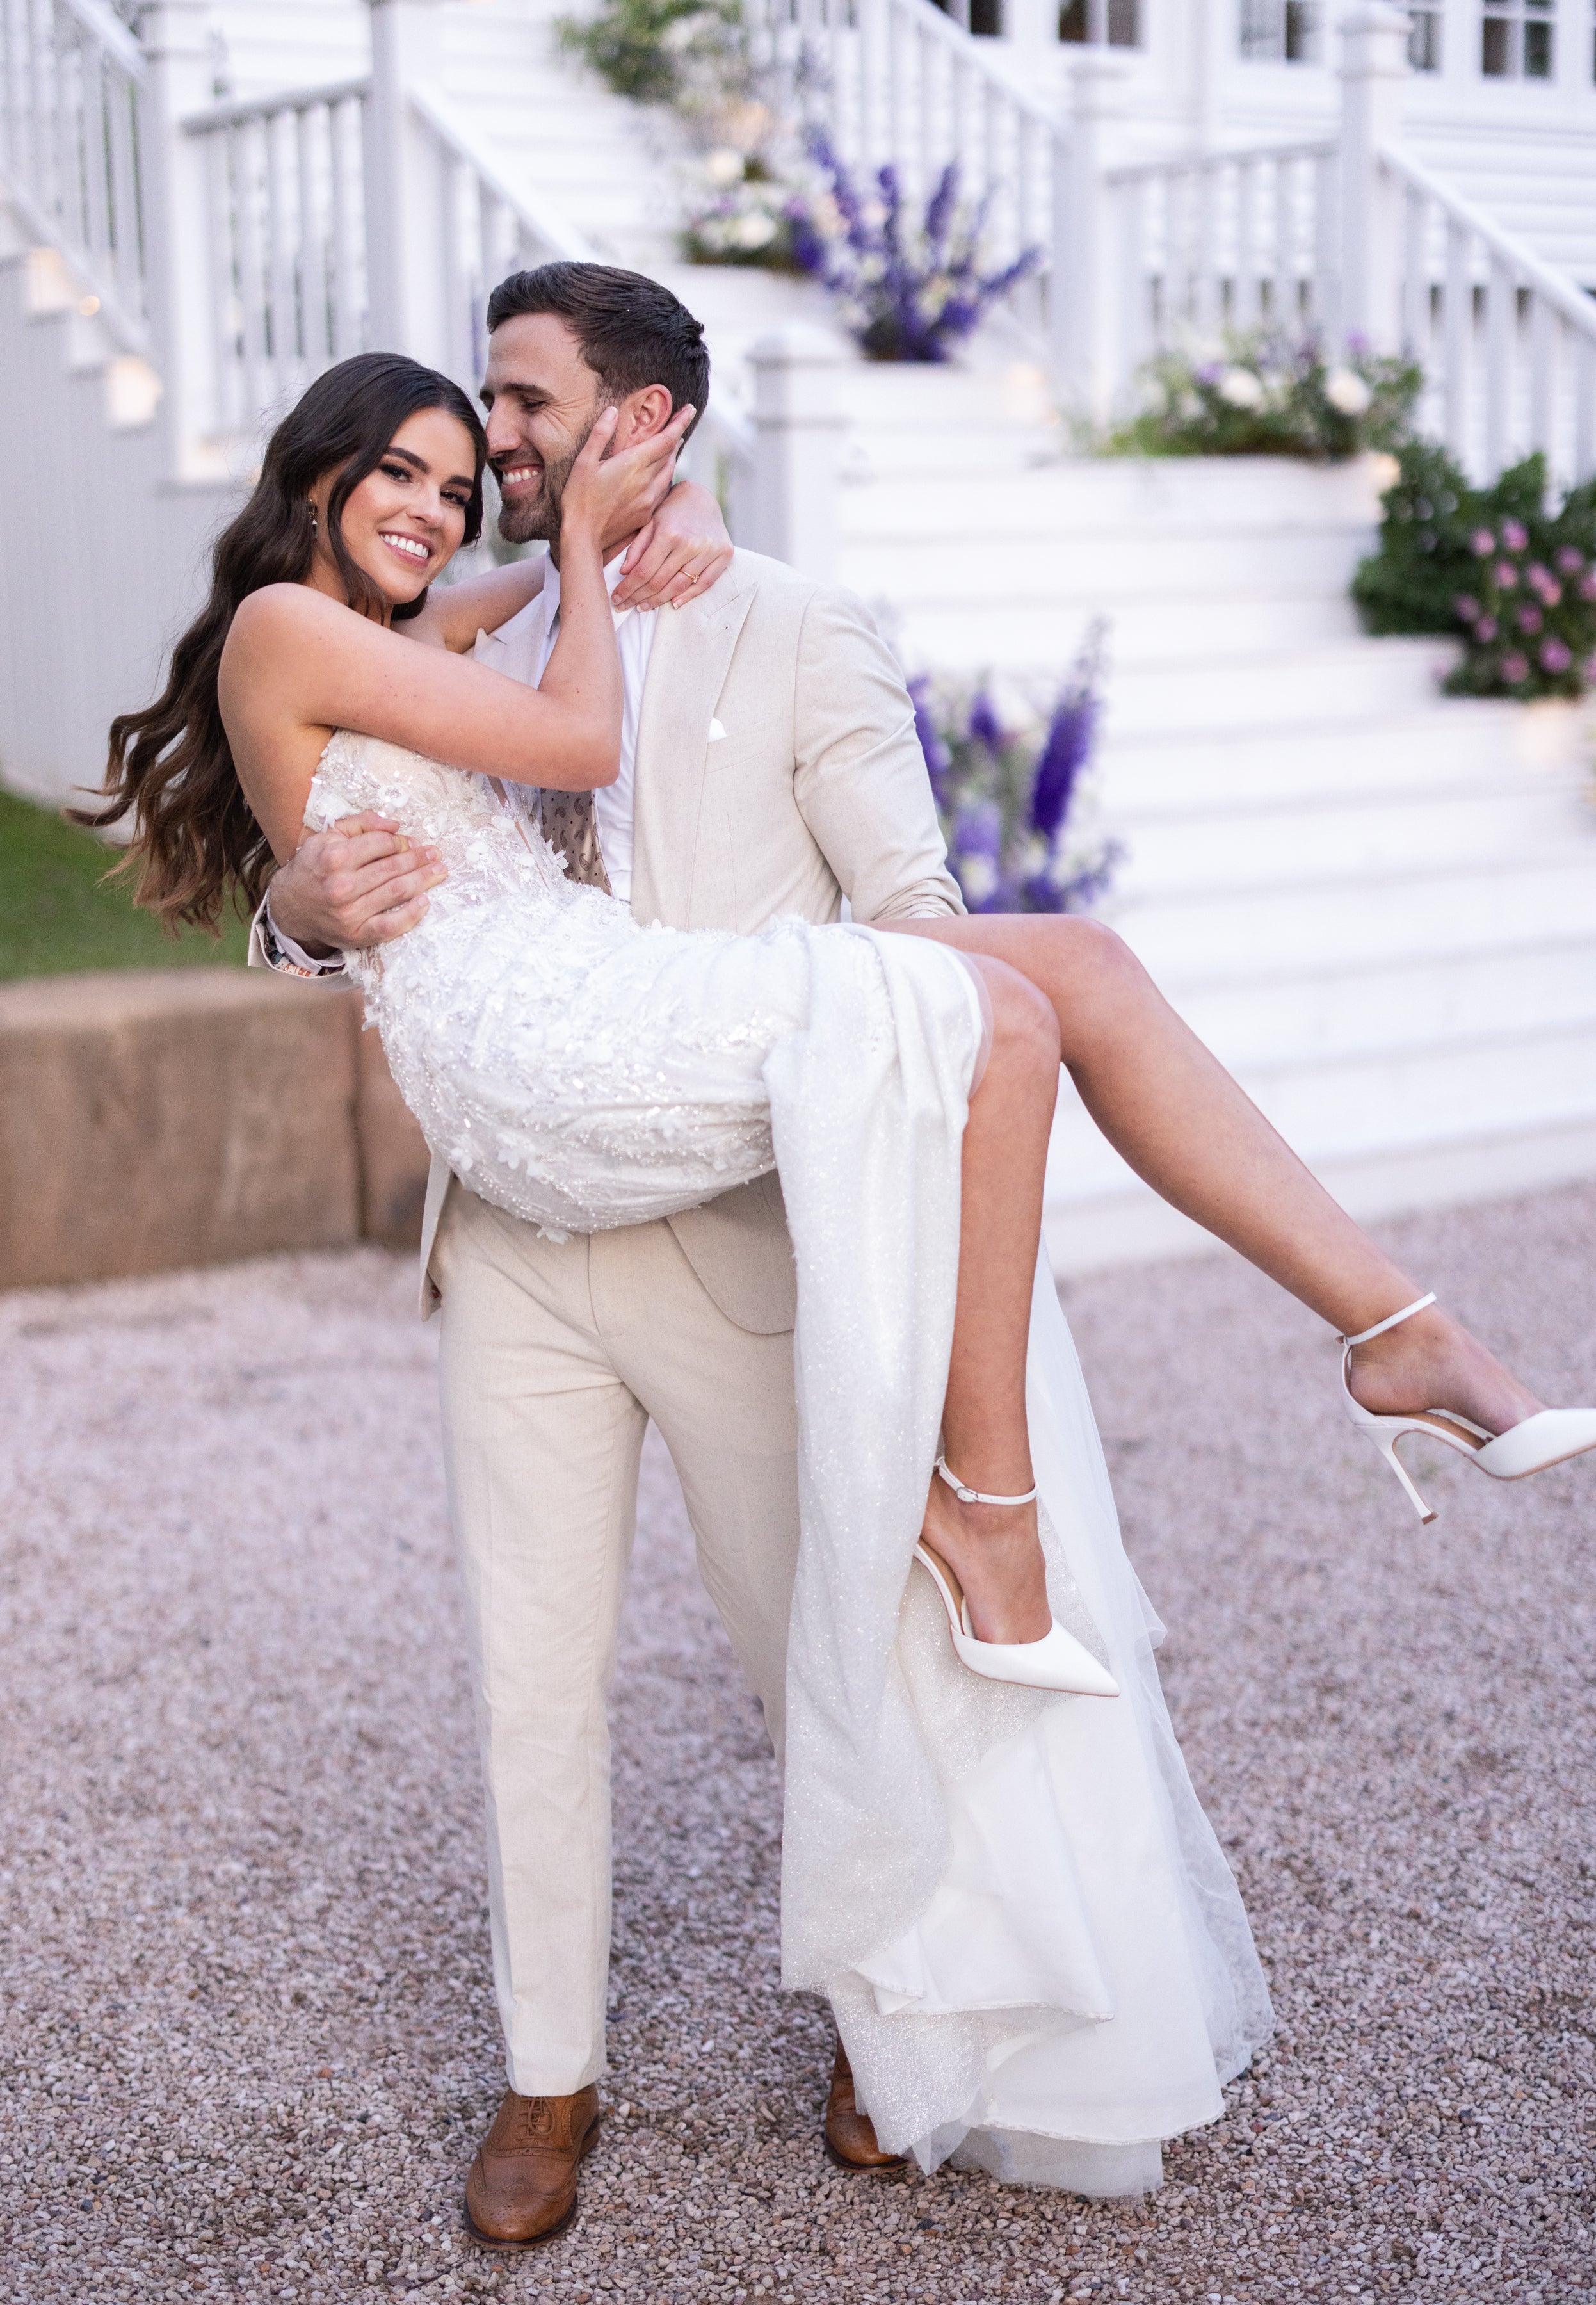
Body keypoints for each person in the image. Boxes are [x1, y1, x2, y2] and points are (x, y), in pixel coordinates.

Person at [87, 280, 1596, 2246]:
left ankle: (910, 1996)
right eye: (436, 459)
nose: (479, 480)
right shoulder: (429, 623)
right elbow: (406, 808)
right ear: (322, 479)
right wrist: (305, 899)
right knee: (532, 1684)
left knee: (846, 1646)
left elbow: (902, 902)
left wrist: (589, 574)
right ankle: (552, 2072)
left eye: (509, 436)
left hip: (714, 1190)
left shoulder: (756, 620)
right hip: (538, 1180)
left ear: (644, 424)